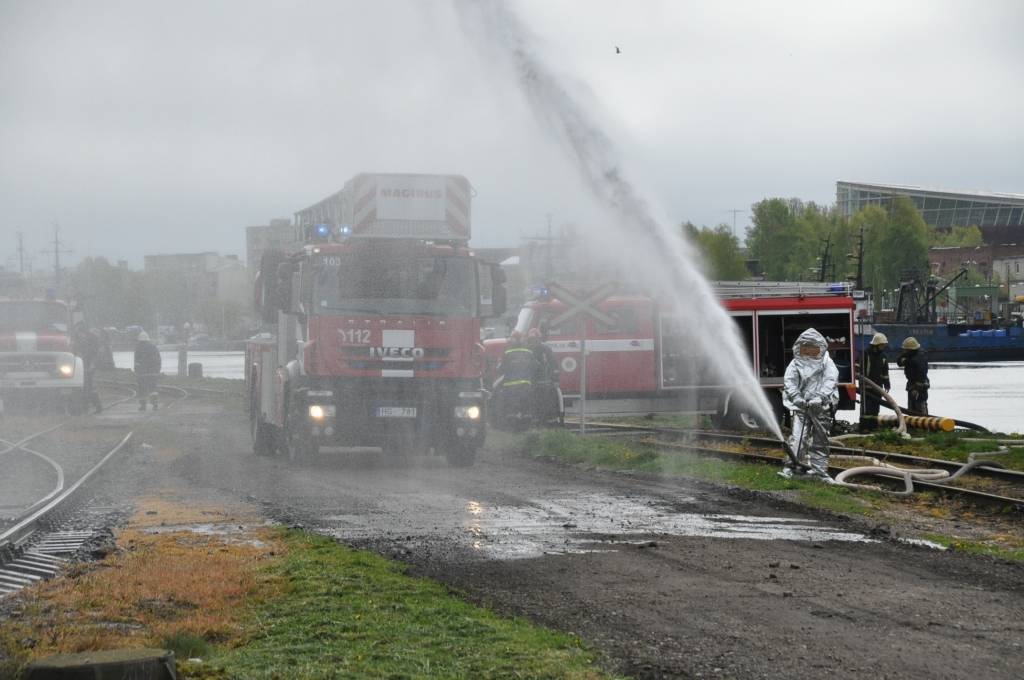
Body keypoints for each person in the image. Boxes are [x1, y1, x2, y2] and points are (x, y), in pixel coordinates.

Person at [779, 328, 839, 482]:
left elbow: (830, 380)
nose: (810, 352)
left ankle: (820, 471)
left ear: (821, 348)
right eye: (806, 349)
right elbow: (790, 381)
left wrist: (820, 398)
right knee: (798, 438)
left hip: (821, 409)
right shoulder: (795, 363)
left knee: (821, 440)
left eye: (814, 349)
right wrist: (796, 397)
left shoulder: (827, 362)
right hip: (802, 408)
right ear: (800, 348)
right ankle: (791, 466)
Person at [861, 332, 891, 427]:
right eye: (882, 345)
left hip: (878, 387)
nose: (883, 347)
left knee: (875, 408)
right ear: (876, 344)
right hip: (866, 387)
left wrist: (887, 384)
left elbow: (885, 372)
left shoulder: (883, 357)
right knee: (866, 408)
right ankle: (865, 427)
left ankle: (873, 426)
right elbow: (858, 368)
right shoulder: (865, 354)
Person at [72, 322, 103, 414]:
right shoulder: (78, 339)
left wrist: (92, 365)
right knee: (85, 387)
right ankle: (88, 407)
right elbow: (75, 351)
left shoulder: (92, 340)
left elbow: (95, 354)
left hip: (88, 366)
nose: (79, 335)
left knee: (87, 387)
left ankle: (93, 407)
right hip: (81, 365)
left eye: (79, 332)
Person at [897, 336, 929, 415]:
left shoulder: (919, 358)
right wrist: (904, 357)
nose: (904, 351)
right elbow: (899, 362)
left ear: (911, 349)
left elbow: (922, 375)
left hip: (920, 386)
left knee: (920, 406)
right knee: (911, 408)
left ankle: (924, 423)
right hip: (911, 384)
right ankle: (913, 424)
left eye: (905, 350)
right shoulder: (910, 356)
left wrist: (917, 389)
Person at [133, 331, 162, 411]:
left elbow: (136, 361)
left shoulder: (138, 348)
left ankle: (143, 405)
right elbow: (158, 360)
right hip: (153, 372)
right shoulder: (153, 347)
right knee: (153, 388)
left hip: (142, 373)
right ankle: (155, 404)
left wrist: (137, 371)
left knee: (142, 389)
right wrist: (157, 370)